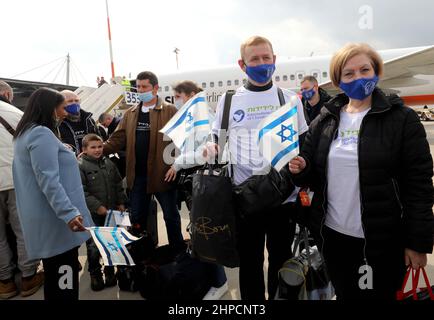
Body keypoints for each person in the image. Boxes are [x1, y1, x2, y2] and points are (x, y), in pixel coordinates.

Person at [288, 43, 434, 300]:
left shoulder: (402, 119)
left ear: (376, 71)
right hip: (334, 238)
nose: (358, 78)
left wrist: (417, 242)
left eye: (364, 70)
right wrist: (300, 168)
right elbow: (312, 173)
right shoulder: (324, 120)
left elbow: (419, 185)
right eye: (349, 74)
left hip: (383, 241)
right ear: (338, 80)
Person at [204, 36, 308, 300]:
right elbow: (216, 138)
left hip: (283, 198)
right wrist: (211, 147)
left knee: (280, 260)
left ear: (275, 60)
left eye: (266, 58)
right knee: (249, 263)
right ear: (242, 64)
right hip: (245, 199)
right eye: (255, 59)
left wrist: (302, 164)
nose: (262, 64)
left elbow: (304, 142)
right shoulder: (228, 102)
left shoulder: (290, 98)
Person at [12, 88, 93, 300]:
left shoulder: (26, 133)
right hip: (57, 222)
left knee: (56, 280)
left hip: (45, 219)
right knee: (63, 282)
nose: (65, 112)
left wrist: (61, 149)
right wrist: (68, 212)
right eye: (62, 107)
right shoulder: (41, 133)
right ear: (50, 108)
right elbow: (48, 178)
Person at [103, 71, 184, 249]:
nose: (140, 90)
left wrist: (177, 165)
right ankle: (141, 255)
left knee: (171, 216)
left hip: (163, 175)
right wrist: (98, 150)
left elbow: (182, 140)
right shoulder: (130, 114)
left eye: (144, 87)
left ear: (155, 88)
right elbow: (117, 139)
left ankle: (178, 252)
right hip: (138, 177)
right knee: (137, 217)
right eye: (138, 87)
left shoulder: (170, 111)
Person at [166, 80, 229, 300]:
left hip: (204, 182)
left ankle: (219, 283)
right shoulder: (196, 117)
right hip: (197, 182)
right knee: (201, 232)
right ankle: (212, 279)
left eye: (178, 96)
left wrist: (177, 163)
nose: (176, 101)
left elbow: (207, 153)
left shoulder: (204, 118)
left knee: (206, 232)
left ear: (191, 95)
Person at [0, 81, 44, 299]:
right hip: (16, 181)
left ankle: (5, 283)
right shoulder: (16, 113)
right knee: (23, 231)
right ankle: (28, 277)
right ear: (8, 94)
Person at [78, 134, 127, 291]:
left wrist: (121, 202)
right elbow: (81, 191)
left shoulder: (109, 163)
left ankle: (110, 271)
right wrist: (97, 206)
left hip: (111, 211)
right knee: (93, 246)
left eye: (100, 146)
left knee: (112, 242)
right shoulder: (80, 166)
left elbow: (118, 184)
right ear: (84, 150)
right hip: (93, 215)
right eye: (93, 147)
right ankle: (95, 274)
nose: (98, 150)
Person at [58, 90, 100, 155]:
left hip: (90, 161)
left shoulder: (89, 120)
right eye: (70, 101)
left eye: (76, 101)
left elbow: (98, 139)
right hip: (70, 162)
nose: (74, 103)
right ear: (60, 104)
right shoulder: (58, 123)